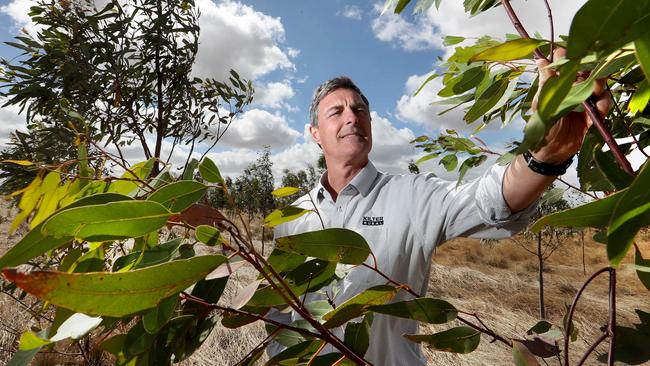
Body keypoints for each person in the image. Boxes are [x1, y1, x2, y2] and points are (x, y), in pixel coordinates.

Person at [269, 50, 611, 365]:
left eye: (360, 110)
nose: (352, 118)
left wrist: (545, 155)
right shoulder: (292, 219)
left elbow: (491, 199)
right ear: (315, 132)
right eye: (337, 111)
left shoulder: (412, 195)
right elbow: (279, 310)